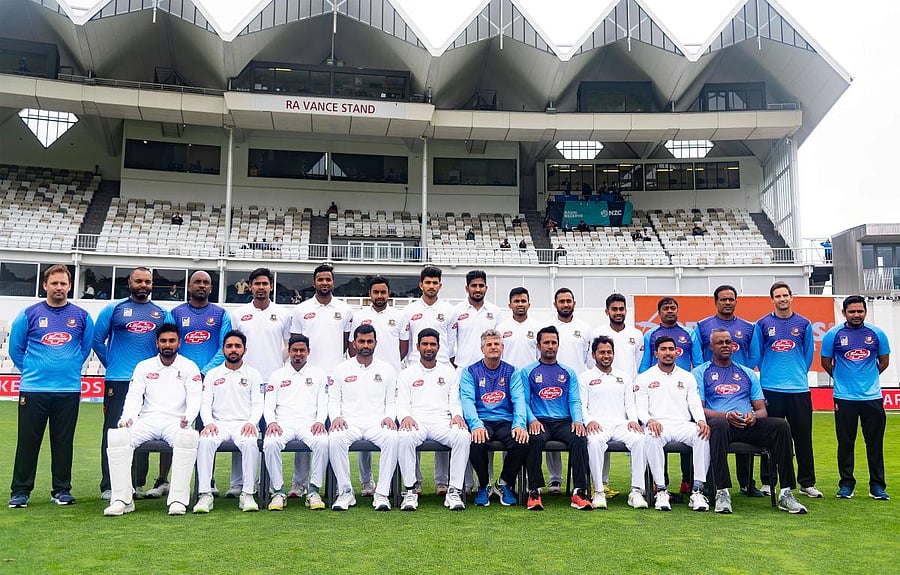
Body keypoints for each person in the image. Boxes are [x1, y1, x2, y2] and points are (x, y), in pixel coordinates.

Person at [8, 264, 94, 509]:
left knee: (63, 442)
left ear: (69, 286)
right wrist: (35, 371)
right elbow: (16, 349)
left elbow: (84, 349)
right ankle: (21, 492)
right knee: (27, 441)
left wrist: (68, 367)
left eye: (63, 284)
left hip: (67, 390)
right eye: (54, 283)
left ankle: (62, 490)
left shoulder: (81, 316)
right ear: (45, 285)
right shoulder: (29, 314)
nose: (59, 288)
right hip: (34, 389)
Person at [695, 329, 808, 514]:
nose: (725, 346)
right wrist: (725, 416)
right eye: (720, 342)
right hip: (722, 425)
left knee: (781, 426)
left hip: (748, 424)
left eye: (728, 342)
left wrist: (753, 416)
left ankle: (786, 493)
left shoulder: (746, 372)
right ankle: (722, 492)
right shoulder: (701, 372)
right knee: (718, 425)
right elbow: (698, 410)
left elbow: (762, 409)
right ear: (711, 346)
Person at [103, 323, 201, 516]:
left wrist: (188, 419)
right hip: (147, 420)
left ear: (179, 343)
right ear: (157, 343)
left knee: (187, 438)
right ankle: (122, 499)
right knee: (117, 437)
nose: (167, 345)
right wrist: (127, 419)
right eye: (163, 341)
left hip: (175, 421)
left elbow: (195, 398)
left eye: (172, 341)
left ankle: (178, 500)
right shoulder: (144, 367)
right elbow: (133, 397)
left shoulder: (189, 367)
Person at [92, 266, 171, 500]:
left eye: (147, 281)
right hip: (119, 380)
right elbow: (97, 341)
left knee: (143, 432)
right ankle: (110, 484)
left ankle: (136, 483)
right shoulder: (114, 309)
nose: (143, 285)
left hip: (150, 384)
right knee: (115, 431)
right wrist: (113, 364)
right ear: (130, 282)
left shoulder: (161, 313)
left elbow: (169, 344)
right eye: (139, 281)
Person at [154, 271, 230, 499]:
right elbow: (168, 341)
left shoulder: (220, 314)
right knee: (174, 424)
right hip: (178, 381)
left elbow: (222, 346)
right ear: (189, 286)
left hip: (209, 380)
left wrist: (204, 372)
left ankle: (209, 479)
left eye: (206, 282)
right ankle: (163, 479)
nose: (202, 285)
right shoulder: (175, 313)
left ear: (211, 288)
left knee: (207, 428)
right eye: (197, 281)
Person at [752, 281, 822, 498]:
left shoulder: (804, 324)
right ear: (772, 299)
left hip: (798, 389)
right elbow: (757, 356)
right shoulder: (762, 324)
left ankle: (806, 482)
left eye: (785, 295)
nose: (782, 299)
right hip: (771, 389)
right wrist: (771, 374)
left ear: (792, 297)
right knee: (769, 436)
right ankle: (768, 481)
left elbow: (808, 355)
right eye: (778, 296)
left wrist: (795, 373)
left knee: (803, 437)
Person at [693, 285, 762, 497]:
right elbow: (697, 356)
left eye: (731, 299)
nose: (727, 302)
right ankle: (709, 483)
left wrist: (744, 371)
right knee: (719, 427)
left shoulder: (748, 326)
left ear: (736, 301)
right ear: (716, 302)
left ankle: (746, 482)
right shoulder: (703, 326)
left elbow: (754, 355)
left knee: (744, 420)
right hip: (713, 384)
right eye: (723, 299)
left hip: (740, 383)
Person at [821, 295, 891, 500]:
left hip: (872, 397)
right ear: (844, 313)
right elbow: (826, 362)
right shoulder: (833, 335)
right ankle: (846, 484)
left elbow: (883, 362)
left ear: (865, 312)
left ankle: (877, 486)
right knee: (845, 443)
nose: (856, 315)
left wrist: (867, 379)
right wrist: (843, 379)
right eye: (852, 311)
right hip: (844, 398)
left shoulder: (877, 333)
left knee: (875, 443)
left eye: (860, 311)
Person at [290, 263, 352, 498]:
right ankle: (299, 483)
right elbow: (297, 343)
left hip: (336, 379)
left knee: (335, 434)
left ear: (333, 282)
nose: (324, 283)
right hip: (309, 378)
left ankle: (337, 485)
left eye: (328, 279)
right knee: (307, 429)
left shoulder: (344, 310)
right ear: (314, 282)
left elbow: (347, 344)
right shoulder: (301, 310)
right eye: (320, 279)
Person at [229, 267, 292, 497]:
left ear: (271, 286)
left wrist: (277, 366)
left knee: (271, 435)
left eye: (265, 284)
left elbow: (287, 346)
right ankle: (239, 483)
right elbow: (234, 344)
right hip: (245, 381)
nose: (261, 288)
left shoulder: (283, 314)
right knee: (244, 429)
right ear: (250, 286)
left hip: (273, 381)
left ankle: (268, 484)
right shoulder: (238, 314)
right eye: (257, 284)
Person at [520, 326, 593, 511]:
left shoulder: (568, 372)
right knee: (534, 439)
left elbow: (574, 400)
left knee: (579, 438)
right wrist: (532, 420)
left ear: (558, 345)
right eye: (546, 342)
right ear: (538, 346)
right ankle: (534, 491)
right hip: (540, 421)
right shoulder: (528, 371)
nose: (550, 346)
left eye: (554, 342)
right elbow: (524, 401)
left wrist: (577, 421)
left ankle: (579, 492)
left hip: (563, 421)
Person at [348, 276, 409, 495]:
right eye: (376, 292)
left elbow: (404, 348)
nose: (380, 296)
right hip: (363, 376)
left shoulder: (399, 316)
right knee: (364, 423)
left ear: (389, 294)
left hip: (390, 378)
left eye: (383, 292)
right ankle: (366, 482)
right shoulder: (360, 317)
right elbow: (351, 346)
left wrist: (387, 367)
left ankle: (392, 482)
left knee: (391, 430)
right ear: (370, 294)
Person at [635, 336, 711, 512]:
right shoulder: (644, 377)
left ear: (677, 352)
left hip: (683, 424)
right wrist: (649, 420)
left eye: (671, 349)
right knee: (651, 436)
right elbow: (640, 408)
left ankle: (698, 490)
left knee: (702, 435)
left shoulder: (687, 377)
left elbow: (694, 403)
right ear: (656, 353)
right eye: (663, 349)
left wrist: (701, 420)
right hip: (658, 425)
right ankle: (661, 490)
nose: (668, 353)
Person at [396, 329, 470, 511]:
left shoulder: (449, 372)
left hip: (441, 421)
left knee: (462, 436)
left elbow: (455, 401)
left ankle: (454, 491)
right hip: (416, 421)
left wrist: (457, 415)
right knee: (404, 437)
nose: (429, 348)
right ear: (417, 347)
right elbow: (401, 402)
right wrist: (405, 416)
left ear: (438, 347)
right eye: (425, 344)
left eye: (433, 344)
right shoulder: (407, 373)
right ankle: (410, 491)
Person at [328, 325, 399, 511]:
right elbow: (334, 399)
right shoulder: (340, 369)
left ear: (376, 343)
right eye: (361, 341)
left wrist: (389, 417)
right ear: (354, 343)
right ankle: (345, 492)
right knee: (335, 439)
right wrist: (336, 417)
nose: (365, 345)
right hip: (349, 423)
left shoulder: (387, 369)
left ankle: (382, 493)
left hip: (377, 423)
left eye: (369, 341)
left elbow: (391, 401)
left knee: (392, 438)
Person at [193, 331, 264, 513]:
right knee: (205, 441)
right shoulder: (212, 374)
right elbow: (205, 403)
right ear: (223, 349)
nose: (233, 350)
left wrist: (251, 422)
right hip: (219, 424)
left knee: (249, 443)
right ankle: (204, 494)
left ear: (244, 350)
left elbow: (258, 403)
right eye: (229, 346)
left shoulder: (254, 374)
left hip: (244, 424)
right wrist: (208, 423)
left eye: (237, 346)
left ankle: (247, 494)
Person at [459, 329, 529, 507]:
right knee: (476, 442)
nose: (493, 347)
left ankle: (505, 483)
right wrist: (475, 425)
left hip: (505, 420)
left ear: (502, 347)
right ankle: (484, 484)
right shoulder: (470, 371)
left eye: (496, 344)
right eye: (489, 344)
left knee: (522, 442)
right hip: (482, 420)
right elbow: (467, 401)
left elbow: (519, 400)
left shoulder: (512, 371)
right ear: (482, 348)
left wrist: (519, 424)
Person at [579, 336, 649, 510]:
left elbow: (630, 404)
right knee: (594, 442)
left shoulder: (624, 377)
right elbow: (581, 404)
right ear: (594, 355)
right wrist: (589, 421)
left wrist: (633, 421)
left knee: (640, 439)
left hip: (621, 424)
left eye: (609, 352)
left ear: (614, 354)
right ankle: (599, 492)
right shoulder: (585, 377)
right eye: (602, 352)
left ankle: (636, 491)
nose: (606, 355)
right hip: (598, 425)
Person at [263, 335, 330, 511]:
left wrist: (319, 421)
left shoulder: (318, 374)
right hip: (283, 424)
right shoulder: (277, 375)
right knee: (270, 443)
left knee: (323, 442)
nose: (298, 354)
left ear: (308, 352)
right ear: (289, 351)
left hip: (309, 424)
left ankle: (313, 491)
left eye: (302, 350)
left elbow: (323, 402)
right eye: (294, 350)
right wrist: (271, 422)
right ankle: (278, 491)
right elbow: (268, 404)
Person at [590, 293, 644, 498]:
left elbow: (637, 363)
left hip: (626, 391)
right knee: (599, 440)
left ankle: (637, 488)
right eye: (614, 309)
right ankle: (601, 484)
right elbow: (591, 361)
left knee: (636, 437)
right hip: (602, 391)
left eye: (622, 309)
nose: (618, 312)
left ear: (626, 311)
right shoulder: (598, 333)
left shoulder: (636, 334)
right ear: (607, 311)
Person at [546, 288, 592, 493]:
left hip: (575, 386)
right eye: (561, 301)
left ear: (574, 303)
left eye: (568, 301)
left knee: (579, 431)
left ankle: (582, 482)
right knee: (548, 426)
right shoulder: (547, 327)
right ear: (555, 304)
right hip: (550, 385)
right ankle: (555, 478)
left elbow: (587, 361)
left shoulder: (585, 328)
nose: (565, 304)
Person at [450, 270, 501, 369]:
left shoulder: (495, 311)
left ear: (486, 288)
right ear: (467, 288)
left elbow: (498, 342)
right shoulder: (456, 311)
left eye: (481, 286)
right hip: (463, 368)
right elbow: (450, 342)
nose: (478, 289)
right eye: (474, 286)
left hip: (489, 368)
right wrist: (456, 364)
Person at [497, 287, 539, 370]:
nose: (520, 304)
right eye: (516, 301)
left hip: (531, 377)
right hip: (508, 376)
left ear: (529, 305)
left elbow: (540, 356)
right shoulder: (500, 329)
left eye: (523, 301)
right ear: (510, 305)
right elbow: (498, 356)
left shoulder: (538, 328)